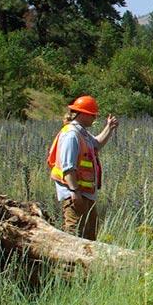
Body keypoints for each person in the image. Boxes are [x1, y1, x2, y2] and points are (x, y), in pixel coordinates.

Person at [46, 96, 119, 240]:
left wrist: (109, 128)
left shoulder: (81, 132)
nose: (94, 118)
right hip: (75, 195)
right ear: (83, 114)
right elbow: (68, 168)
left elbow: (96, 144)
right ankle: (69, 263)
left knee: (89, 237)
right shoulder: (71, 135)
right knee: (74, 237)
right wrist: (75, 192)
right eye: (92, 115)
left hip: (85, 194)